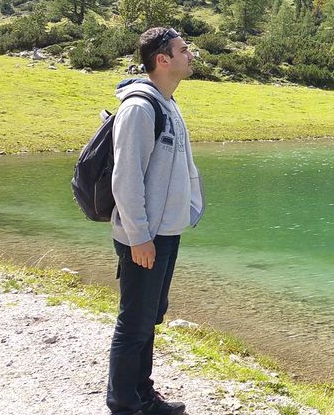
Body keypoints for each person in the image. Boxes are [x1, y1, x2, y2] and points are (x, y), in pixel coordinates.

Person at [107, 27, 204, 415]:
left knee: (148, 318)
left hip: (165, 231)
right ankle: (125, 403)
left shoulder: (168, 103)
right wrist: (139, 237)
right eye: (183, 50)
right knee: (134, 322)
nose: (190, 55)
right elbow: (125, 179)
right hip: (145, 236)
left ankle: (142, 395)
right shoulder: (139, 108)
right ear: (162, 60)